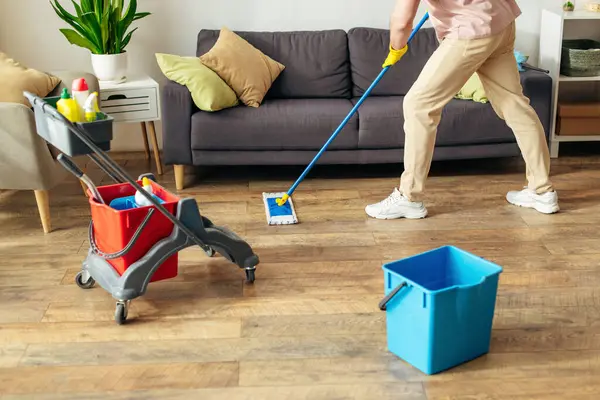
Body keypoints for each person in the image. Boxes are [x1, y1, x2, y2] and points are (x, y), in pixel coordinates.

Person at [365, 0, 559, 220]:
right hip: (501, 21)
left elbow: (402, 20)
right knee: (514, 105)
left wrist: (395, 49)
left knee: (419, 105)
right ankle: (541, 190)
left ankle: (409, 197)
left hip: (470, 32)